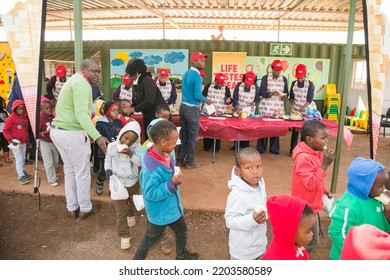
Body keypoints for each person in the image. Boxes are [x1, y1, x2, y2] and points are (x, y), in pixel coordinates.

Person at [50, 58, 109, 220]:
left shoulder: (74, 80)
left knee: (70, 171)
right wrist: (97, 136)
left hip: (58, 132)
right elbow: (81, 114)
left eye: (98, 71)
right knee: (82, 173)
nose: (97, 74)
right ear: (83, 69)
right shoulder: (83, 85)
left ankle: (72, 207)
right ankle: (85, 208)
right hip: (72, 133)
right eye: (93, 71)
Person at [133, 120, 199, 260]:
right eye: (174, 142)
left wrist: (175, 172)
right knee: (149, 240)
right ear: (163, 142)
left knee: (182, 230)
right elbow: (150, 194)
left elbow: (170, 166)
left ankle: (181, 255)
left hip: (172, 209)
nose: (176, 144)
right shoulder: (151, 169)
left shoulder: (165, 154)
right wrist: (171, 183)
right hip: (160, 213)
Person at [329, 157, 390, 260]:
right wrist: (358, 254)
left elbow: (382, 229)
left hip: (370, 255)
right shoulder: (346, 206)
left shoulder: (376, 199)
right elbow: (337, 233)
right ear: (364, 186)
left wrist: (388, 211)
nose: (384, 189)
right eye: (380, 186)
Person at [291, 120, 336, 253]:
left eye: (326, 138)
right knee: (309, 241)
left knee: (310, 239)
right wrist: (325, 165)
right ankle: (297, 257)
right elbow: (310, 184)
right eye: (323, 138)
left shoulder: (315, 152)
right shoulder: (303, 158)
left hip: (313, 204)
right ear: (309, 139)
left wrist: (324, 191)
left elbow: (317, 178)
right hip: (305, 208)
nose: (326, 141)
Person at [225, 147, 267, 260]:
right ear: (238, 170)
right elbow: (230, 221)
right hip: (242, 253)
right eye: (248, 168)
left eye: (258, 166)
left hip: (260, 246)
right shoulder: (236, 195)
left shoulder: (260, 185)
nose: (255, 171)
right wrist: (252, 219)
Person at [105, 121, 141, 250]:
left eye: (131, 141)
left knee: (132, 202)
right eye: (126, 138)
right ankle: (124, 236)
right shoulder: (112, 147)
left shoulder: (136, 149)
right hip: (117, 184)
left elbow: (140, 162)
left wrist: (130, 153)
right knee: (120, 211)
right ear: (121, 133)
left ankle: (131, 214)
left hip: (132, 182)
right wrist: (108, 171)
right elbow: (108, 160)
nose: (127, 142)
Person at [177, 51, 212, 169]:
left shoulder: (186, 73)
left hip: (183, 107)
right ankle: (189, 161)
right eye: (201, 60)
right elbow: (198, 95)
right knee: (192, 137)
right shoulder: (197, 75)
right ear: (194, 61)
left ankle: (180, 159)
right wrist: (207, 100)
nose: (204, 62)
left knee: (185, 135)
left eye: (204, 60)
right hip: (192, 109)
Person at [262, 195, 316, 260]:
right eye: (308, 231)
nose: (312, 234)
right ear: (290, 232)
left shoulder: (293, 243)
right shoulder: (279, 258)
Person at [126, 58, 166, 139]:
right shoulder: (137, 82)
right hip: (149, 115)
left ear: (136, 73)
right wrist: (129, 109)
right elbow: (136, 100)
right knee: (149, 139)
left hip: (157, 115)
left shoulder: (147, 80)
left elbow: (149, 99)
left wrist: (134, 109)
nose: (129, 76)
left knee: (156, 139)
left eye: (130, 73)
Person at [257, 59, 289, 154]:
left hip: (278, 107)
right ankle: (261, 148)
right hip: (266, 107)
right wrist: (271, 93)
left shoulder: (284, 79)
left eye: (279, 70)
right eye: (276, 70)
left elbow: (287, 93)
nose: (278, 72)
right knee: (264, 128)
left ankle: (274, 149)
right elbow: (261, 92)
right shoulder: (265, 78)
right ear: (272, 68)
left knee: (275, 128)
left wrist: (284, 96)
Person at [95, 101, 124, 195]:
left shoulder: (120, 123)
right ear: (107, 112)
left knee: (115, 171)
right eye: (113, 110)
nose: (116, 112)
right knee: (104, 171)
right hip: (105, 152)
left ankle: (112, 189)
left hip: (117, 152)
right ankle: (99, 182)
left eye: (117, 110)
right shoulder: (100, 124)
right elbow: (99, 138)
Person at [289, 64, 317, 156]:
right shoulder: (294, 84)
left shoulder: (310, 85)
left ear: (305, 75)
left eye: (301, 78)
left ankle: (302, 150)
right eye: (298, 78)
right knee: (295, 131)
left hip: (306, 109)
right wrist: (292, 104)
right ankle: (293, 150)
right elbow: (292, 97)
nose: (300, 79)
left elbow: (309, 100)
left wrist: (301, 109)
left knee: (304, 131)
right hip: (296, 109)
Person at [3, 100, 32, 184]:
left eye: (23, 109)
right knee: (19, 159)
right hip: (15, 144)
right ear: (15, 109)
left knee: (23, 158)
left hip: (23, 143)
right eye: (19, 109)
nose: (22, 111)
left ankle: (22, 171)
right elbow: (5, 130)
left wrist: (28, 141)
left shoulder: (25, 118)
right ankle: (20, 175)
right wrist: (11, 139)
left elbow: (26, 130)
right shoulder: (11, 119)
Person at [202, 73, 232, 152]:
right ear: (215, 80)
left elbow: (228, 99)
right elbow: (203, 95)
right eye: (219, 82)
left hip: (220, 112)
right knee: (208, 129)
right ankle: (207, 146)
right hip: (208, 111)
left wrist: (228, 101)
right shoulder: (208, 86)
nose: (221, 84)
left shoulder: (226, 88)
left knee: (218, 130)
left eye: (222, 83)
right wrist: (206, 100)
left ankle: (216, 147)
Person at [232, 71, 260, 149]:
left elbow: (257, 99)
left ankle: (245, 146)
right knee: (237, 128)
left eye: (250, 83)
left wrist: (253, 103)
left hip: (249, 111)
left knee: (247, 128)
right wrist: (236, 106)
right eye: (246, 82)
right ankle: (236, 145)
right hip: (239, 109)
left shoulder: (256, 88)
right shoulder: (239, 85)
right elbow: (235, 97)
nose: (247, 84)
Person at [38, 100, 59, 187]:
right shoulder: (40, 119)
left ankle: (52, 173)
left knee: (56, 160)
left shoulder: (53, 117)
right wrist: (44, 133)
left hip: (53, 142)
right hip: (44, 142)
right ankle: (51, 179)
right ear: (41, 110)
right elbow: (37, 133)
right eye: (46, 108)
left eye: (50, 108)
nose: (49, 110)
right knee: (49, 162)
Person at [0, 96, 12, 165]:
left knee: (6, 144)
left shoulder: (4, 112)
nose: (5, 104)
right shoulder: (3, 113)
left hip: (4, 131)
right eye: (3, 102)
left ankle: (6, 158)